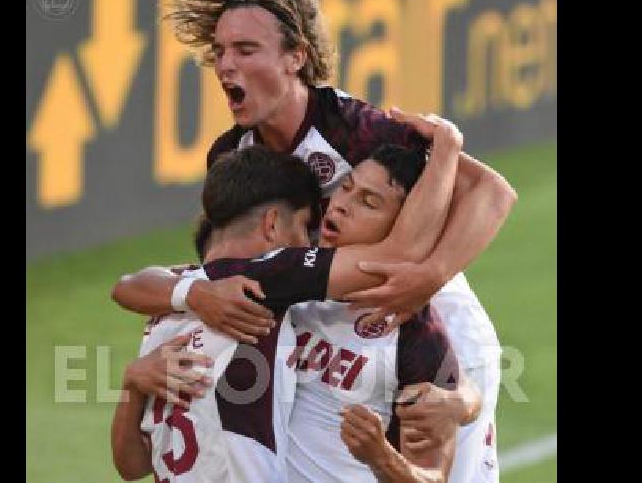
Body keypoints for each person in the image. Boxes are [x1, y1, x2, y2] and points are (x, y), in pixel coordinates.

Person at [112, 112, 463, 482]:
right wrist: (448, 150)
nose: (341, 205)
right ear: (272, 225)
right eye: (346, 187)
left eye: (369, 202)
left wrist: (383, 456)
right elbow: (132, 287)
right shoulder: (273, 282)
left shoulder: (416, 333)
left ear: (401, 223)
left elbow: (433, 476)